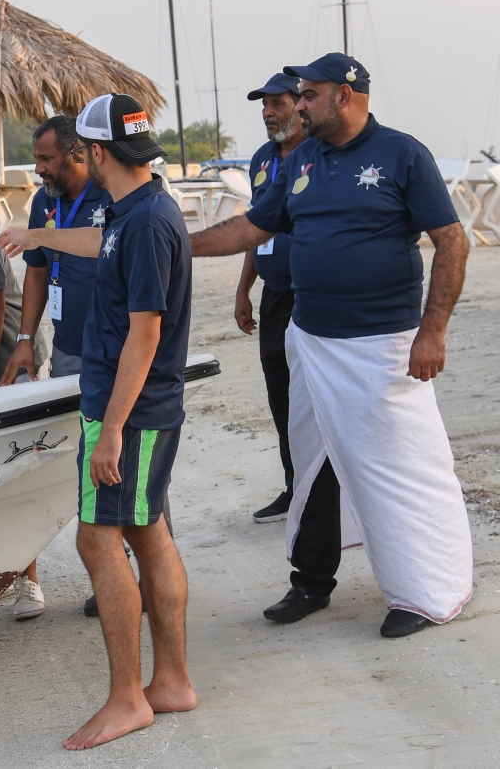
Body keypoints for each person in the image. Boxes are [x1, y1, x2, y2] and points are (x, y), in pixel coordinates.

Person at [190, 53, 473, 639]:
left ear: (344, 96)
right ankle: (311, 582)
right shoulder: (304, 160)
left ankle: (424, 591)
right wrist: (179, 244)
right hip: (312, 340)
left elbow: (451, 241)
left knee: (398, 468)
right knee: (313, 463)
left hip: (386, 345)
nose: (298, 105)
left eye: (308, 95)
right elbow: (253, 226)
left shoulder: (402, 153)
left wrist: (433, 329)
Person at [0, 93, 197, 749]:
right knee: (146, 530)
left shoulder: (145, 225)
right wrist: (39, 234)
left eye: (82, 150)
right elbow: (97, 239)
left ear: (98, 152)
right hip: (139, 404)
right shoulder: (135, 205)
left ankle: (127, 697)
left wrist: (110, 429)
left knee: (98, 539)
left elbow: (145, 334)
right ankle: (169, 680)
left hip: (129, 407)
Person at [0, 114, 112, 620]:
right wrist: (26, 338)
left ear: (79, 154)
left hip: (113, 346)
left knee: (124, 456)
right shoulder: (44, 201)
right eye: (37, 157)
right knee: (81, 462)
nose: (38, 168)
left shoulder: (112, 196)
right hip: (67, 348)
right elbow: (38, 274)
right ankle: (109, 575)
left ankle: (139, 574)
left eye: (46, 159)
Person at [234, 73, 304, 523]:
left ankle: (332, 496)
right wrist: (244, 289)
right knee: (281, 396)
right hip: (274, 297)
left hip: (313, 298)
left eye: (277, 103)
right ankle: (294, 487)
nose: (268, 113)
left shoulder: (318, 155)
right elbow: (256, 228)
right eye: (264, 105)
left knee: (316, 401)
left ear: (303, 105)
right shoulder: (262, 159)